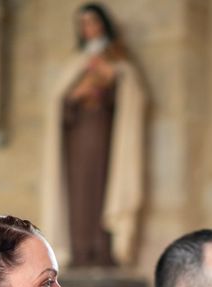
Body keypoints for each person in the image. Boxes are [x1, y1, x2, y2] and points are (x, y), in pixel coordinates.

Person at [42, 2, 146, 267]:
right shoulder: (75, 63)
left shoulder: (118, 59)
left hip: (104, 133)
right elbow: (60, 102)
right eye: (84, 24)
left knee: (102, 188)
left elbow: (132, 95)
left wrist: (112, 81)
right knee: (79, 194)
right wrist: (74, 97)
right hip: (77, 137)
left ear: (104, 25)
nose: (90, 28)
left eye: (94, 22)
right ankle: (80, 251)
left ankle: (103, 250)